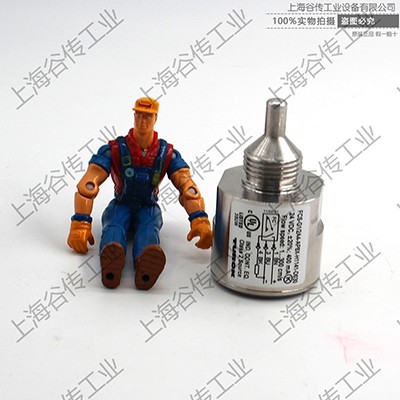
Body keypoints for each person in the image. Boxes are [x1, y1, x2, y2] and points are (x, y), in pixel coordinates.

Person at [67, 97, 212, 290]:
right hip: (121, 204)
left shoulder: (166, 153)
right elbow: (88, 185)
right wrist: (80, 223)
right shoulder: (114, 149)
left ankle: (145, 264)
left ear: (155, 118)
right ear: (133, 116)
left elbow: (187, 187)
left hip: (148, 206)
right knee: (114, 226)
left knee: (149, 230)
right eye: (139, 116)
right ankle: (111, 262)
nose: (142, 121)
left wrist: (199, 219)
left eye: (147, 117)